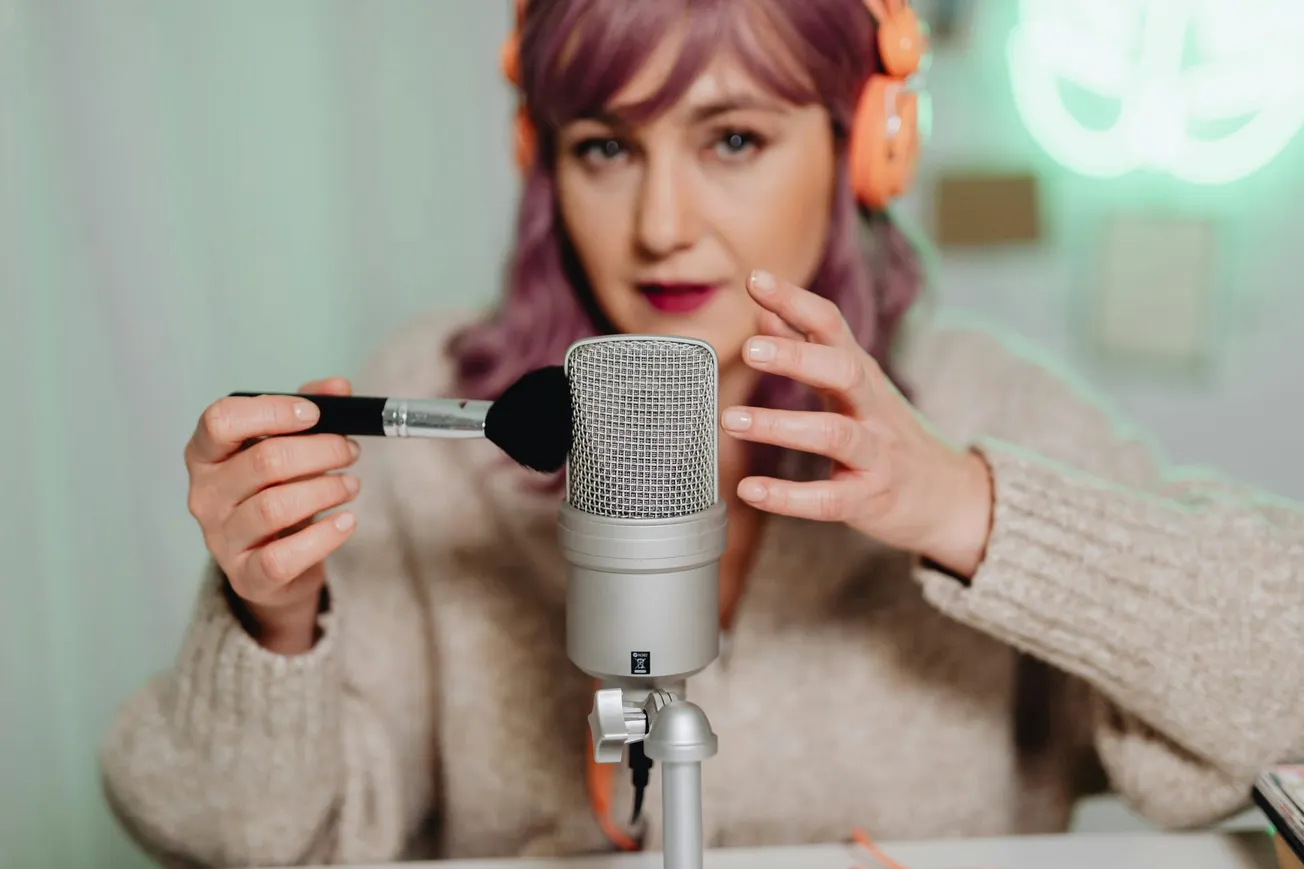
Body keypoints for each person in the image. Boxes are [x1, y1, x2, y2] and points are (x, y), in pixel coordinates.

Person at [101, 0, 1304, 866]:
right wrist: (272, 616)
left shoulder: (974, 401)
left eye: (731, 138)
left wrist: (963, 507)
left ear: (860, 148)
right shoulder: (427, 405)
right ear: (545, 162)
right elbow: (238, 837)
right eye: (606, 147)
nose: (661, 224)